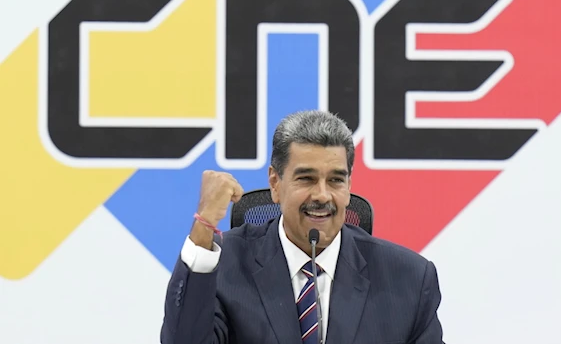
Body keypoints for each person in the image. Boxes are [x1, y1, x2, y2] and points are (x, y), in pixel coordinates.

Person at [160, 110, 445, 344]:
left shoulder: (409, 279)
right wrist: (204, 226)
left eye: (335, 180)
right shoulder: (224, 265)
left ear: (349, 186)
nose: (322, 195)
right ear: (275, 184)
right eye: (306, 178)